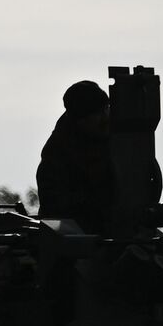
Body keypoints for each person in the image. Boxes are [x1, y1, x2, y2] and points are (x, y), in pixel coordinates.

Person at [36, 80, 113, 233]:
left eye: (106, 109)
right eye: (97, 114)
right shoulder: (56, 155)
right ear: (80, 121)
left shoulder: (113, 140)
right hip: (75, 234)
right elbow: (55, 206)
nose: (105, 118)